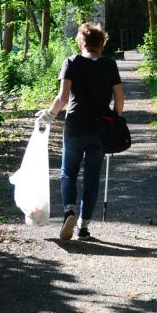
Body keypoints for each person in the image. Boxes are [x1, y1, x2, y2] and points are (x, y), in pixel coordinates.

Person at [38, 22, 124, 241]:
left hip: (75, 126)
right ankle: (83, 227)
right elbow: (120, 100)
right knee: (92, 177)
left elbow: (63, 98)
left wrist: (49, 115)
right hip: (100, 128)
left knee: (68, 172)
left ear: (81, 43)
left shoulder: (71, 62)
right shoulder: (109, 65)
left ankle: (69, 210)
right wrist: (115, 118)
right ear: (101, 44)